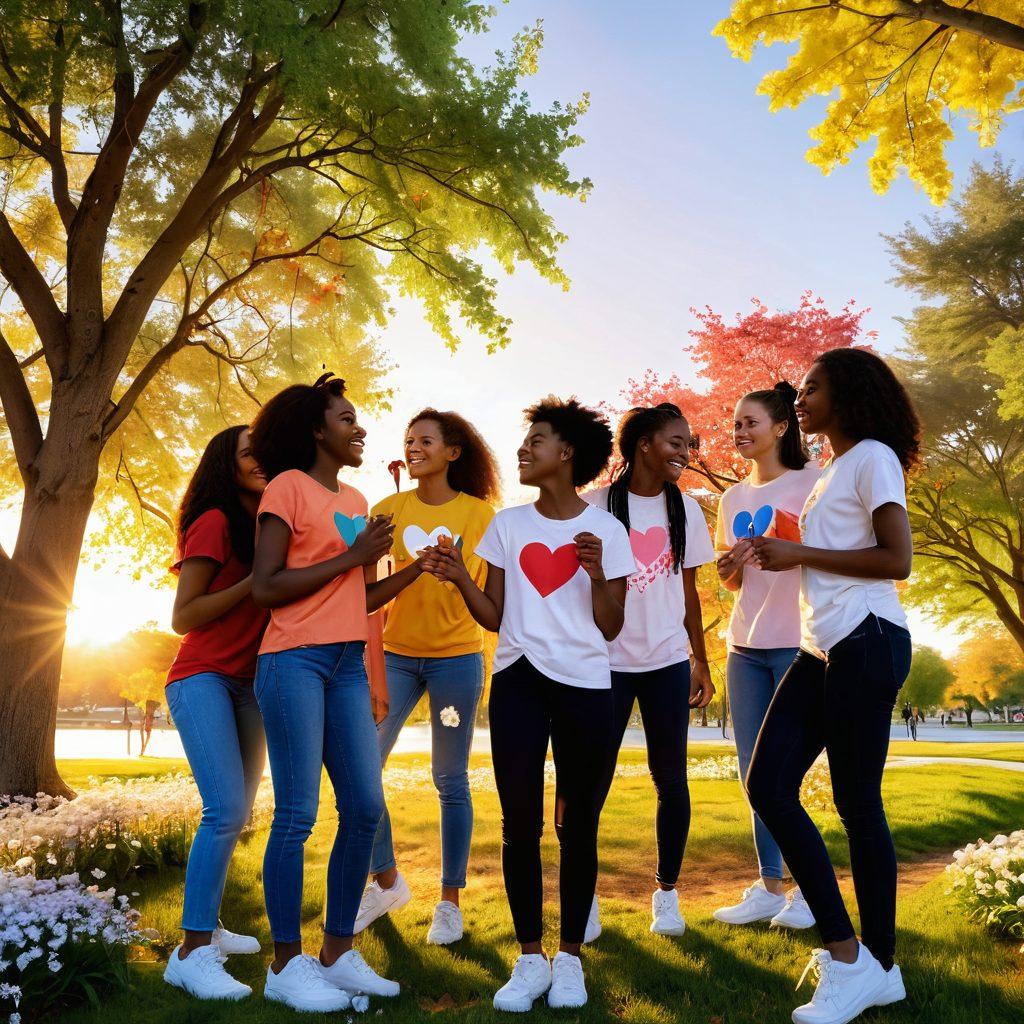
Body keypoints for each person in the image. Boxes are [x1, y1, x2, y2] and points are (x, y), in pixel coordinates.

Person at [424, 398, 635, 1012]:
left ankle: (569, 958)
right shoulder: (508, 526)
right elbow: (494, 616)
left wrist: (597, 574)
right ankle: (528, 958)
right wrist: (462, 577)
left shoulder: (608, 533)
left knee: (578, 826)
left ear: (566, 453)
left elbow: (611, 627)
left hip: (586, 687)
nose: (523, 449)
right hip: (517, 681)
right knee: (520, 825)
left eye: (535, 440)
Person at [744, 348, 920, 1024]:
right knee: (768, 785)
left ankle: (869, 964)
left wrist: (801, 552)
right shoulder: (833, 471)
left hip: (867, 639)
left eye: (813, 388)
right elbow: (832, 553)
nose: (802, 399)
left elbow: (895, 558)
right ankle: (861, 961)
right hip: (825, 645)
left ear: (845, 394)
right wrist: (782, 549)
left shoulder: (873, 455)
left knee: (856, 803)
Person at [248, 373, 424, 1012]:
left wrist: (407, 569)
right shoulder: (286, 489)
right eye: (346, 419)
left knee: (365, 808)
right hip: (293, 659)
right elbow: (266, 586)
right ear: (316, 429)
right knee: (297, 814)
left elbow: (360, 597)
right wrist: (354, 558)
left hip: (349, 662)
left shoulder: (355, 496)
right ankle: (285, 963)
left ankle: (338, 952)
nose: (359, 428)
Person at [354, 410, 499, 945]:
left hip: (456, 662)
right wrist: (373, 669)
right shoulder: (387, 512)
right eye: (408, 441)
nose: (414, 447)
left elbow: (488, 598)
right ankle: (387, 879)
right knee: (360, 769)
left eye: (426, 441)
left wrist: (455, 571)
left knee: (449, 778)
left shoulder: (481, 516)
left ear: (452, 453)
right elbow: (368, 601)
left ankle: (449, 901)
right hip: (394, 657)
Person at [583, 403, 716, 938]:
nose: (685, 453)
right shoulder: (595, 507)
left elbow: (688, 592)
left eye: (688, 444)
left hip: (665, 662)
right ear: (643, 445)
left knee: (672, 781)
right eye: (675, 442)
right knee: (591, 782)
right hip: (604, 663)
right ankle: (583, 896)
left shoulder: (686, 511)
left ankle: (667, 892)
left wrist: (699, 658)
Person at [162, 426, 269, 1001]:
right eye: (246, 452)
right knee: (224, 807)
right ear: (225, 465)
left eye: (263, 451)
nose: (258, 460)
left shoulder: (271, 523)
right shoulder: (216, 521)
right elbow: (185, 615)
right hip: (202, 676)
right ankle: (191, 952)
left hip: (251, 684)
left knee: (238, 810)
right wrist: (256, 583)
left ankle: (213, 924)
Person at [711, 383, 821, 932]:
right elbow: (731, 582)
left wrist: (789, 543)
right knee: (752, 770)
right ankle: (769, 884)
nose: (740, 432)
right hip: (744, 645)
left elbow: (825, 557)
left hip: (800, 642)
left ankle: (804, 891)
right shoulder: (731, 499)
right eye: (735, 424)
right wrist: (731, 565)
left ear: (780, 427)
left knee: (788, 770)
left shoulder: (812, 483)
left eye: (749, 422)